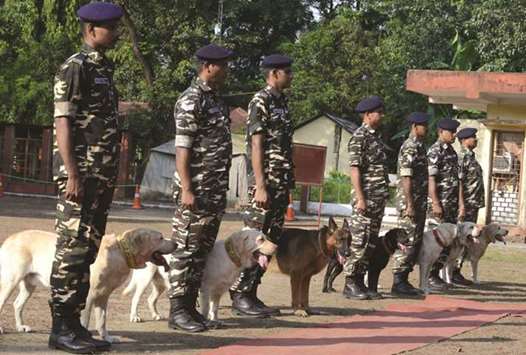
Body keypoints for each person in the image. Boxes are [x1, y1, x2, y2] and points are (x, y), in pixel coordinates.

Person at [49, 2, 123, 353]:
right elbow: (63, 121)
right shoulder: (74, 68)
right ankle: (60, 328)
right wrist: (73, 174)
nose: (118, 32)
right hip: (80, 175)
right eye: (112, 27)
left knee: (87, 252)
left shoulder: (104, 69)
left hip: (100, 177)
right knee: (71, 251)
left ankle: (75, 325)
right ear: (91, 29)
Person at [167, 44, 233, 332]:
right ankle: (177, 311)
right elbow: (183, 149)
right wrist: (187, 188)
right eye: (223, 65)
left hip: (213, 192)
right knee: (186, 250)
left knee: (201, 252)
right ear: (208, 66)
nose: (227, 70)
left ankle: (191, 308)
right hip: (195, 191)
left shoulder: (216, 100)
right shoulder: (191, 100)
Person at [229, 54, 295, 317]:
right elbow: (256, 144)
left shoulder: (283, 102)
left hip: (281, 183)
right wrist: (260, 184)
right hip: (265, 182)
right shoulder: (261, 101)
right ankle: (239, 292)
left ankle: (252, 291)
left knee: (271, 241)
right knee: (255, 240)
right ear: (274, 73)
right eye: (287, 72)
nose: (291, 76)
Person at [343, 96, 389, 300]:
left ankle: (360, 281)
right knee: (359, 241)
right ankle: (350, 282)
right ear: (368, 114)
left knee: (370, 243)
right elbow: (355, 169)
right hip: (366, 199)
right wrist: (360, 198)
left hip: (377, 200)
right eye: (378, 112)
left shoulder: (375, 137)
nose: (382, 115)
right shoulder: (360, 136)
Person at [391, 112, 429, 297]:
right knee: (406, 241)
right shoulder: (410, 147)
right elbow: (406, 177)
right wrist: (409, 204)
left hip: (419, 202)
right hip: (410, 203)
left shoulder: (420, 147)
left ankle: (404, 279)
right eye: (423, 125)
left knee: (415, 241)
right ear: (415, 126)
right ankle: (398, 281)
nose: (426, 129)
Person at [427, 117, 461, 290]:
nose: (454, 134)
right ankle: (431, 276)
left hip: (451, 206)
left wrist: (460, 204)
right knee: (436, 242)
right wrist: (435, 203)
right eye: (451, 131)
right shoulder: (435, 151)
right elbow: (431, 178)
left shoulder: (451, 152)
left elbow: (457, 180)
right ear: (441, 132)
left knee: (448, 242)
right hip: (440, 205)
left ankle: (436, 273)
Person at [454, 127, 484, 285]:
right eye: (472, 137)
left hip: (473, 204)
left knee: (468, 240)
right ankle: (452, 271)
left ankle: (457, 271)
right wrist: (461, 204)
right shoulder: (461, 158)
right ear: (464, 141)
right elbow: (459, 182)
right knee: (460, 239)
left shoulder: (472, 158)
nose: (475, 139)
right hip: (466, 205)